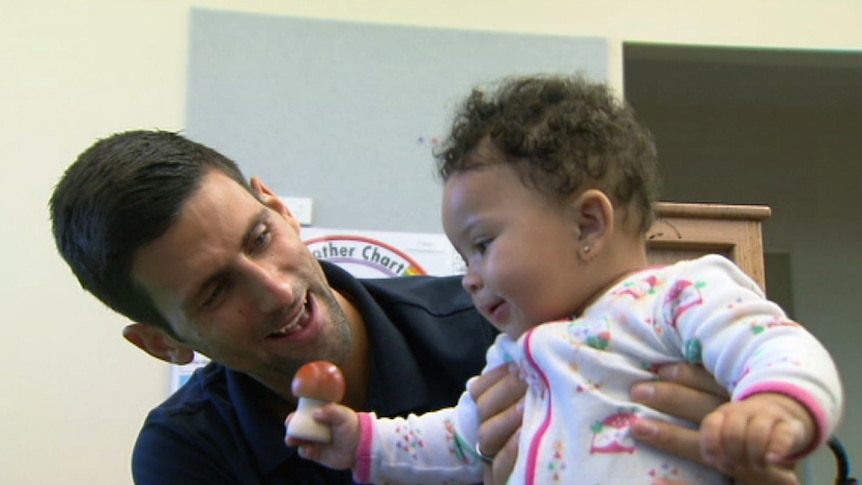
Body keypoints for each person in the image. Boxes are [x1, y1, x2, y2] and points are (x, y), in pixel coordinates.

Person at [50, 129, 795, 485]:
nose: (276, 288)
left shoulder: (507, 319)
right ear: (162, 343)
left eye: (261, 234)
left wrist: (758, 446)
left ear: (276, 203)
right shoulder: (190, 454)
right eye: (216, 291)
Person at [287, 75, 844, 485]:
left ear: (588, 224)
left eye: (482, 246)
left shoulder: (678, 297)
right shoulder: (513, 359)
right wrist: (363, 440)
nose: (469, 280)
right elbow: (455, 440)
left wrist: (774, 408)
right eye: (463, 259)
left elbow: (778, 347)